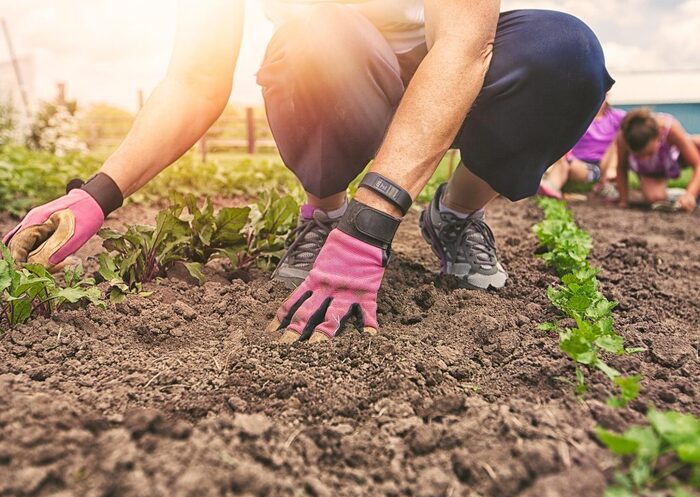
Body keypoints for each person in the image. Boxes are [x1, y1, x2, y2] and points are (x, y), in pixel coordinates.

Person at [4, 0, 613, 342]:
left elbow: (465, 45)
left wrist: (372, 222)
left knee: (564, 53)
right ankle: (323, 212)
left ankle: (456, 213)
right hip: (345, 67)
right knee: (315, 34)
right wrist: (95, 195)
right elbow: (193, 79)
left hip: (449, 61)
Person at [616, 108, 700, 212]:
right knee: (654, 198)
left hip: (675, 159)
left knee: (697, 142)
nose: (645, 158)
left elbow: (697, 164)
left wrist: (690, 194)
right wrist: (623, 200)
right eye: (639, 156)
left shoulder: (670, 128)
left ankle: (692, 192)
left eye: (649, 153)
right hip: (651, 172)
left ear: (659, 135)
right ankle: (675, 195)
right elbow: (621, 168)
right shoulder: (623, 138)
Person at [539, 100, 625, 200]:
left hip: (604, 164)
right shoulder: (580, 117)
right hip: (579, 164)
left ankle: (608, 181)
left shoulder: (617, 117)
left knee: (619, 138)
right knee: (563, 158)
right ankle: (551, 186)